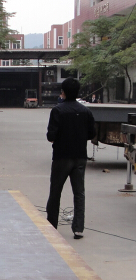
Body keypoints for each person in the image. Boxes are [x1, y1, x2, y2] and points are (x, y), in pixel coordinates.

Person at [46, 77, 96, 239]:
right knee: (79, 192)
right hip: (80, 157)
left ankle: (52, 225)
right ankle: (78, 228)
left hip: (62, 157)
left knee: (55, 191)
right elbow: (92, 134)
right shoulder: (86, 111)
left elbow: (51, 136)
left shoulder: (57, 111)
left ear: (63, 92)